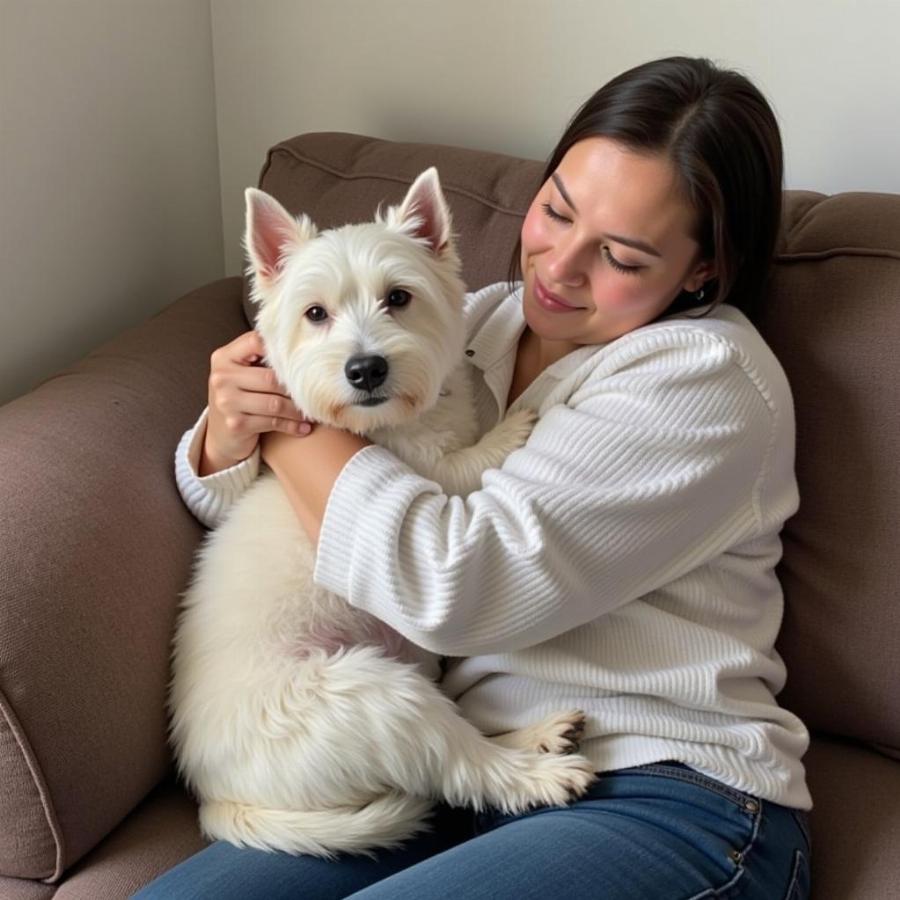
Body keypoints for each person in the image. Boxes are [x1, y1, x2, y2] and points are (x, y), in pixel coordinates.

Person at [136, 56, 813, 899]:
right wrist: (232, 431)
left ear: (704, 268)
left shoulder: (706, 379)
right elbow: (257, 512)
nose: (559, 268)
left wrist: (296, 416)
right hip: (445, 765)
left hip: (660, 791)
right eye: (555, 211)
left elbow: (457, 586)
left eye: (622, 256)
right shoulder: (475, 317)